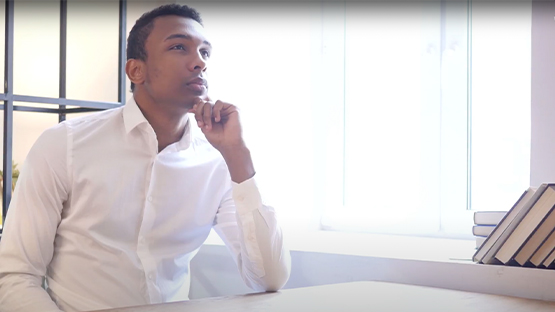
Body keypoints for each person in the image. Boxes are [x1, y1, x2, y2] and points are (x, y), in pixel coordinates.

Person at [0, 4, 291, 312]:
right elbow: (16, 276)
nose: (199, 63)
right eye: (179, 47)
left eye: (205, 53)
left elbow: (269, 279)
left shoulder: (218, 162)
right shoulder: (64, 145)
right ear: (135, 70)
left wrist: (239, 156)